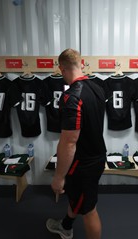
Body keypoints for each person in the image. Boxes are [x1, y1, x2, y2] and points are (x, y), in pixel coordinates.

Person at [46, 48, 107, 239]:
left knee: (89, 209)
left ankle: (68, 227)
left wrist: (58, 177)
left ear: (62, 69)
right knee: (78, 198)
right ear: (81, 64)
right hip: (97, 156)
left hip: (83, 164)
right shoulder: (98, 88)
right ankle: (66, 225)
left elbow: (69, 143)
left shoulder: (72, 96)